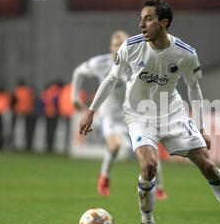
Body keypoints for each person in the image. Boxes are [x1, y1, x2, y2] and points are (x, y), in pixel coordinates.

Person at [79, 0, 220, 224]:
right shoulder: (131, 46)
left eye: (147, 19)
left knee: (209, 167)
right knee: (149, 166)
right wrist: (91, 111)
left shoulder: (185, 53)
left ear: (163, 23)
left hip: (173, 114)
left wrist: (200, 127)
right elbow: (111, 79)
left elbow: (194, 89)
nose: (141, 24)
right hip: (139, 115)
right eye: (141, 18)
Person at [72, 30, 168, 199]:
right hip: (110, 115)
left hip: (134, 115)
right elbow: (78, 71)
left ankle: (159, 187)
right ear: (111, 47)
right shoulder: (100, 63)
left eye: (122, 45)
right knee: (115, 146)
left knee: (150, 154)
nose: (118, 48)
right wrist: (74, 97)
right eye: (115, 45)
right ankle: (105, 177)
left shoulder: (138, 63)